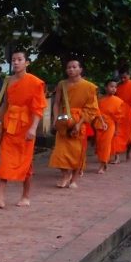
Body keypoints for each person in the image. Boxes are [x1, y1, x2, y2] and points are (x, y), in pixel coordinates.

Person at [0, 50, 46, 208]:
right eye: (14, 60)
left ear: (27, 62)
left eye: (20, 59)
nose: (16, 62)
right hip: (10, 127)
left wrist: (33, 128)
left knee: (25, 164)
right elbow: (5, 104)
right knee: (4, 162)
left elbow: (38, 108)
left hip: (26, 128)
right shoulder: (8, 81)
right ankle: (0, 198)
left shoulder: (35, 82)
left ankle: (25, 196)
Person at [48, 58, 99, 188]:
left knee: (77, 152)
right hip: (64, 120)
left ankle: (74, 179)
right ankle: (65, 175)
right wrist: (55, 119)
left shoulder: (89, 87)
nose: (71, 69)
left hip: (79, 119)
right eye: (69, 67)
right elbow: (57, 103)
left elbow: (91, 108)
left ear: (80, 69)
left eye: (74, 67)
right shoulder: (62, 84)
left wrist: (79, 123)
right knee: (60, 151)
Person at [95, 79, 125, 174]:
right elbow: (95, 112)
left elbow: (118, 117)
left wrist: (116, 129)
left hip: (110, 125)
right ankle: (104, 162)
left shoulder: (118, 101)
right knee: (99, 145)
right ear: (106, 87)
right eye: (111, 86)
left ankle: (102, 165)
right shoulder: (100, 100)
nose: (113, 89)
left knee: (106, 145)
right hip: (99, 124)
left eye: (115, 87)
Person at [113, 67, 131, 161]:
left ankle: (128, 151)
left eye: (125, 77)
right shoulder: (116, 86)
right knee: (116, 134)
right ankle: (116, 156)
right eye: (121, 77)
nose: (122, 80)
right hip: (118, 112)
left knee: (129, 136)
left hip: (129, 113)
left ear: (129, 75)